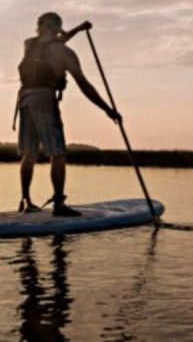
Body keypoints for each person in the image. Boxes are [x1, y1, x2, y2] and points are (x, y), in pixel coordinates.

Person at [15, 12, 121, 216]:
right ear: (56, 28)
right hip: (45, 99)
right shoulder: (65, 53)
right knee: (58, 153)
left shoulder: (29, 44)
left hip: (24, 99)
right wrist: (107, 109)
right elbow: (84, 85)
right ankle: (59, 204)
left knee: (30, 152)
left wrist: (76, 30)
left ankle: (26, 200)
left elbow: (49, 42)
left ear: (39, 26)